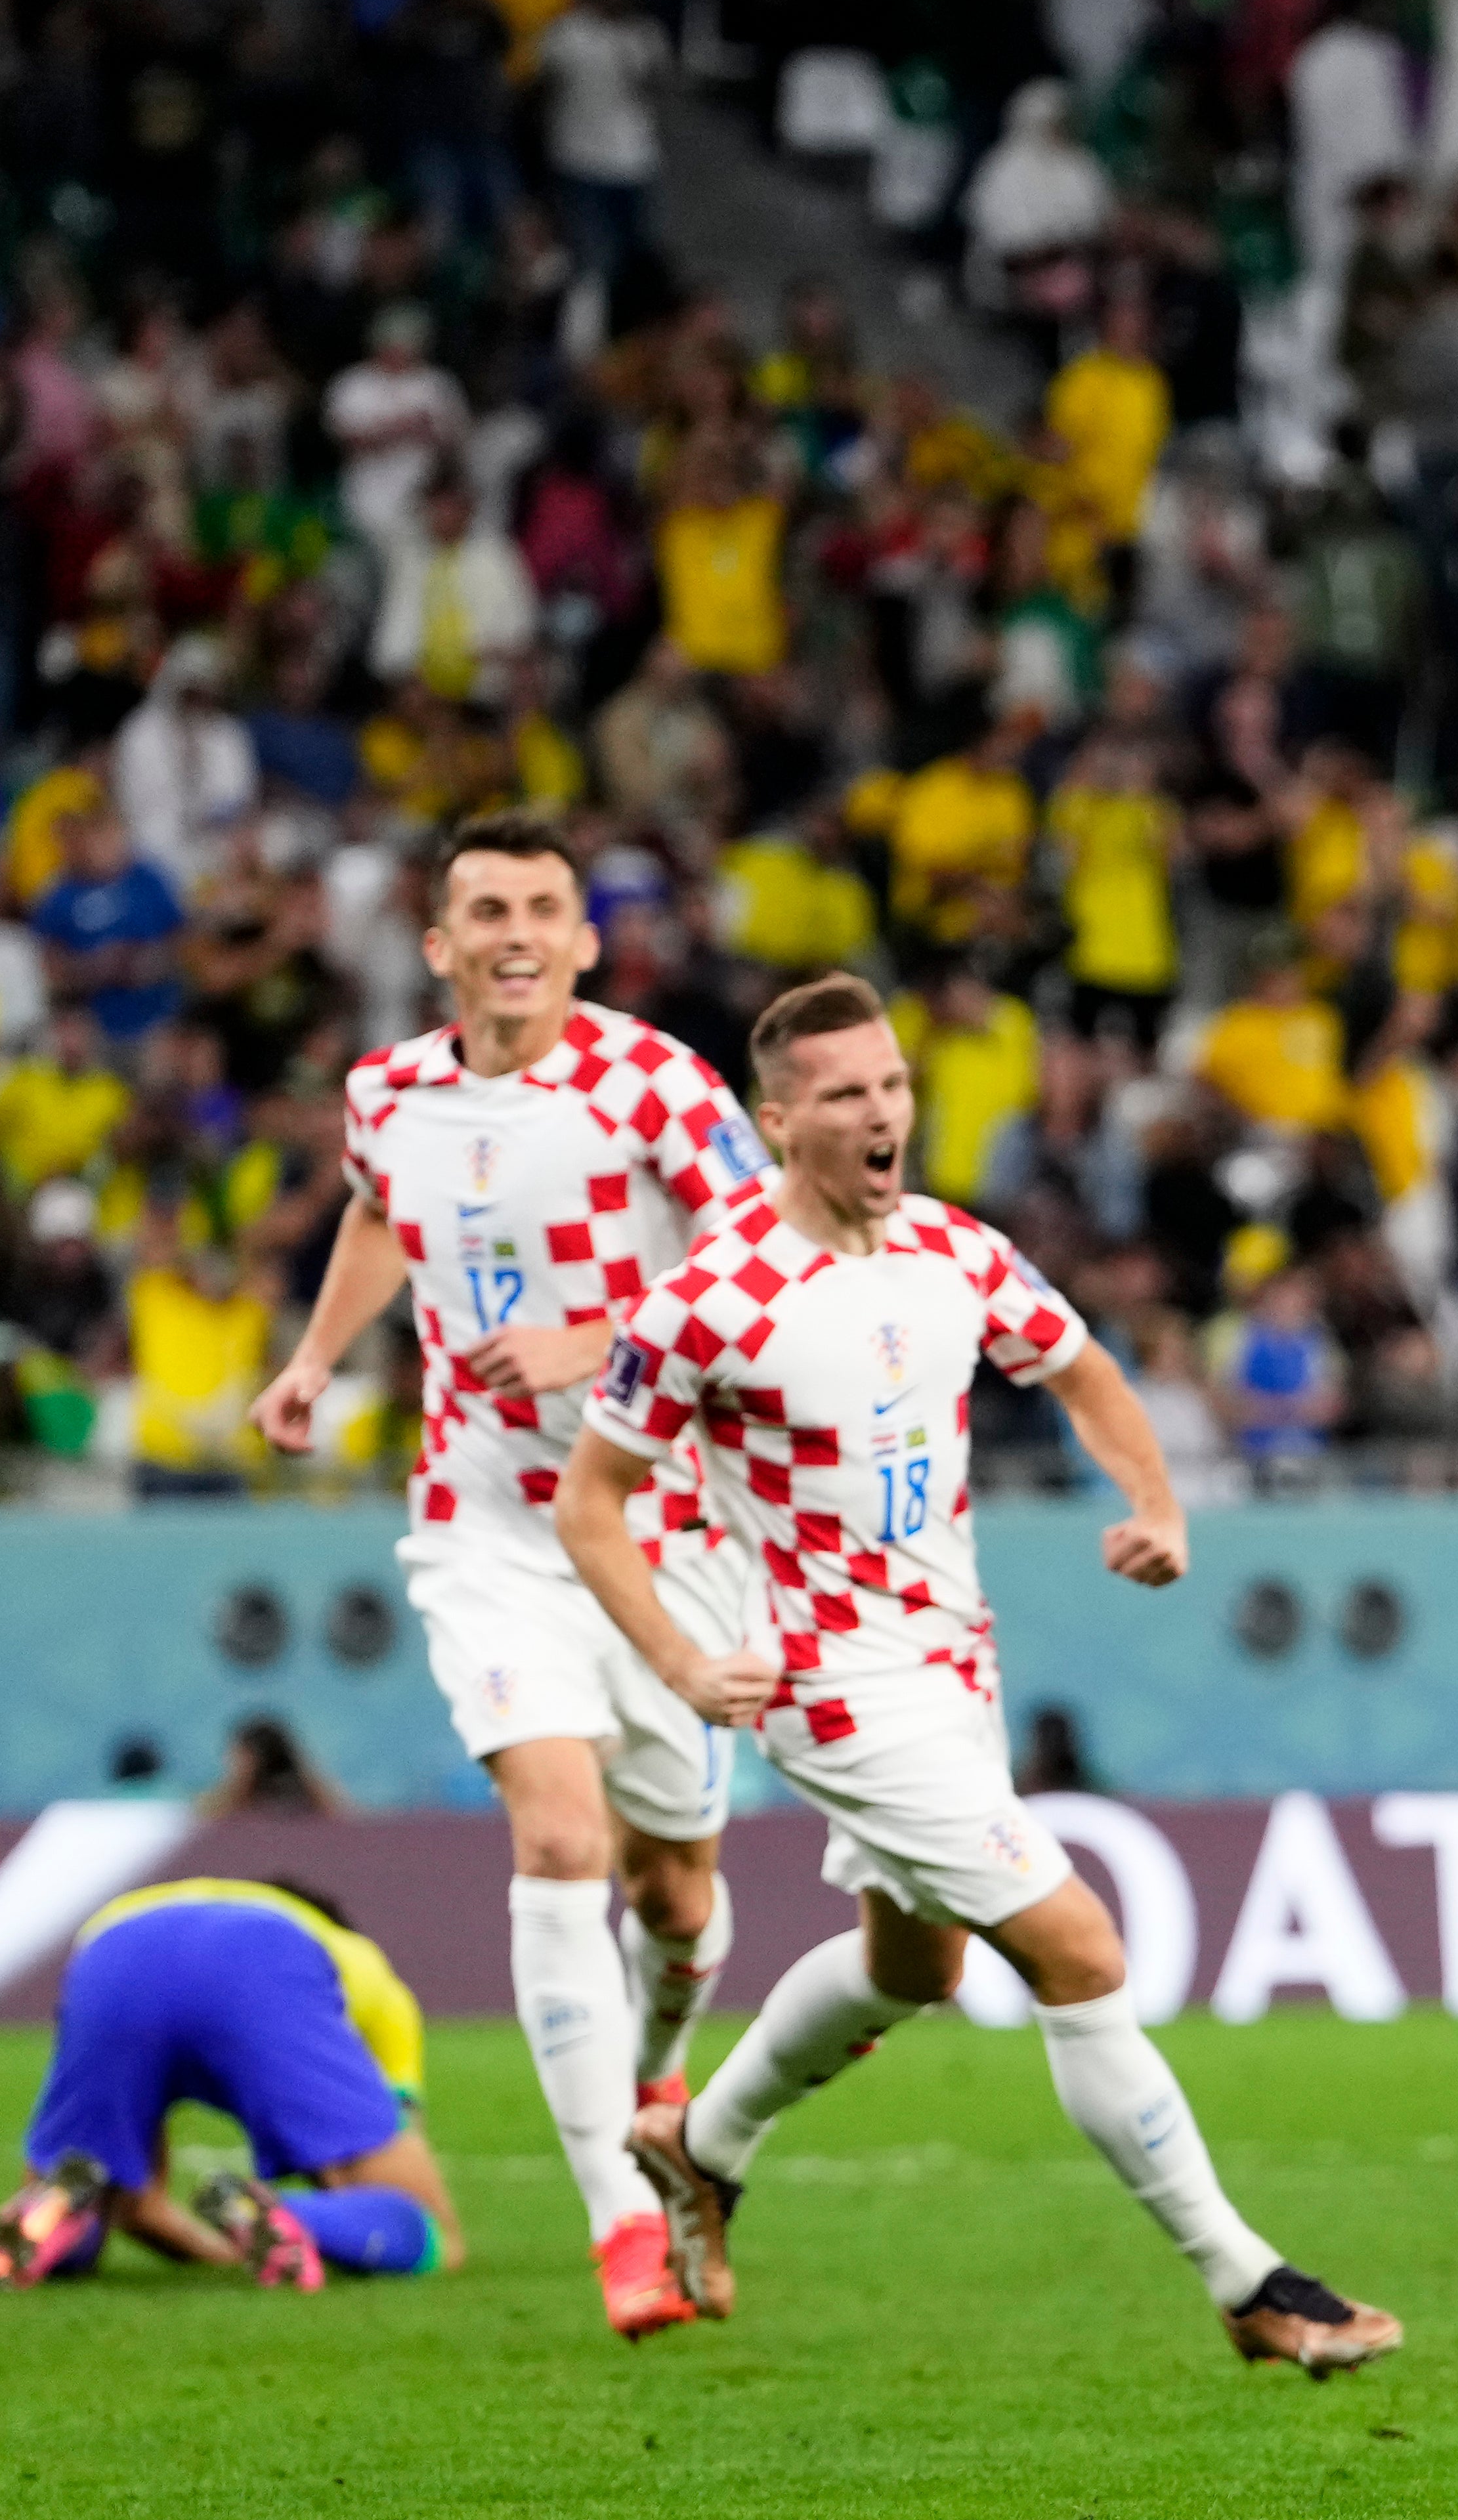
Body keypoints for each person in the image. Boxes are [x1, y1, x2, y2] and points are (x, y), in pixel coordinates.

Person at [558, 973, 1399, 2376]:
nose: (883, 1109)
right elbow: (593, 1498)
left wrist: (1156, 1501)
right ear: (777, 1122)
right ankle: (1249, 2279)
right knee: (1077, 1947)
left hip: (953, 1663)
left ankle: (701, 2143)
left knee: (914, 1965)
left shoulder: (954, 1248)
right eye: (844, 1092)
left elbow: (1081, 1370)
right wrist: (679, 1657)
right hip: (829, 1687)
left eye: (890, 1082)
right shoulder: (706, 1300)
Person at [247, 816, 771, 2339]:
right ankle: (625, 2221)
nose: (518, 931)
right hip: (486, 1529)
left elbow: (764, 1261)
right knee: (560, 1837)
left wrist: (598, 1346)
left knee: (678, 1888)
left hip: (666, 1532)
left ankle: (662, 2054)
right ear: (439, 945)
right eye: (487, 908)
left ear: (584, 940)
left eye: (546, 906)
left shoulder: (655, 1083)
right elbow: (374, 1208)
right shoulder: (388, 1091)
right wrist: (315, 1355)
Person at [0, 1879, 465, 2293]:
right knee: (428, 2226)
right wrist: (290, 2216)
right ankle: (288, 2213)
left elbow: (139, 2206)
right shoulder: (358, 1958)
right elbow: (380, 2155)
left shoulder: (167, 1905)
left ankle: (47, 2216)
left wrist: (215, 2251)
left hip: (109, 1951)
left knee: (93, 2181)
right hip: (265, 1956)